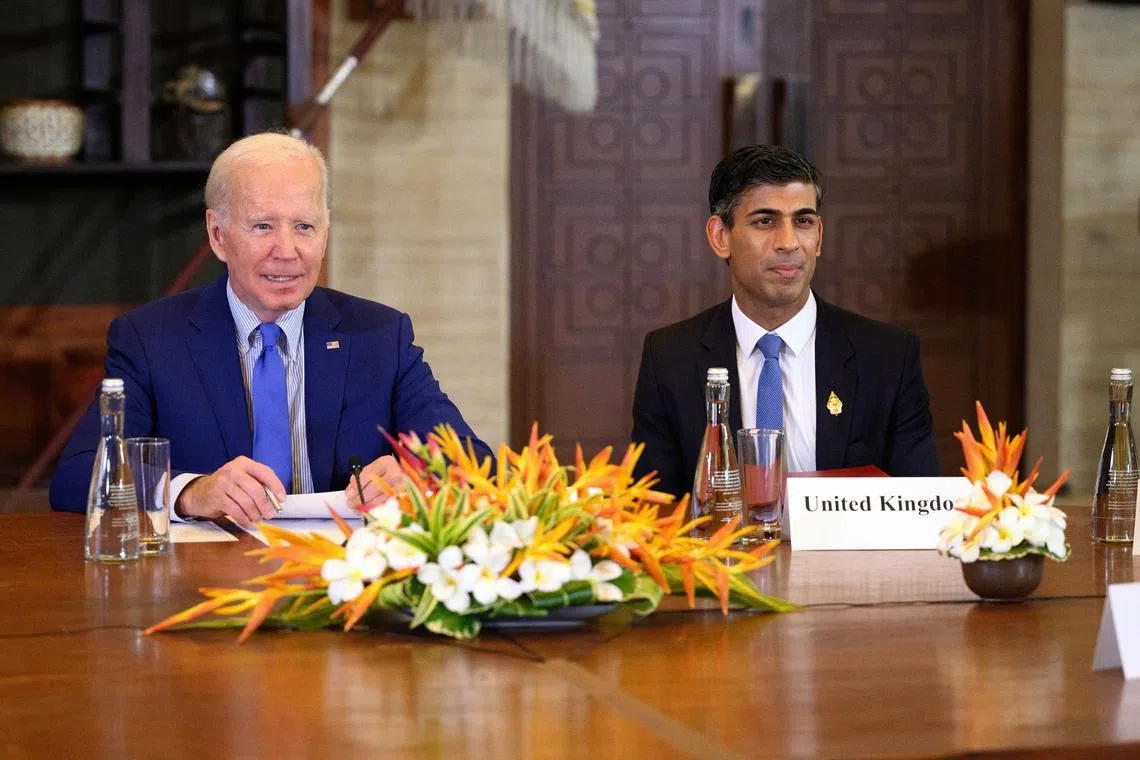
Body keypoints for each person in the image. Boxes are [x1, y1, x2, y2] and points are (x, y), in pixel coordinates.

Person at [50, 132, 491, 526]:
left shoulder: (379, 335)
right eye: (263, 226)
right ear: (218, 235)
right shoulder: (151, 339)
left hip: (340, 579)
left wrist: (415, 477)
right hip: (206, 582)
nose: (287, 251)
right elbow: (78, 476)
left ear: (325, 232)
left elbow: (477, 466)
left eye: (304, 227)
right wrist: (188, 493)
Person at [631, 144, 938, 498]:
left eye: (803, 221)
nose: (789, 242)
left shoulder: (887, 357)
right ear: (720, 237)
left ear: (819, 237)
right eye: (765, 221)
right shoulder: (670, 358)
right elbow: (653, 512)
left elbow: (920, 507)